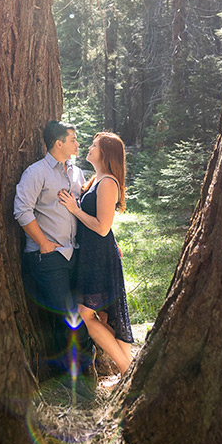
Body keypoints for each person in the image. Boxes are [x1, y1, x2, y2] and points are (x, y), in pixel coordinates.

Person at [14, 120, 93, 379]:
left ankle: (80, 373)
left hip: (76, 254)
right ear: (58, 143)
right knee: (66, 317)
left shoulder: (77, 173)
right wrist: (45, 244)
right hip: (48, 258)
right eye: (73, 140)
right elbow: (22, 210)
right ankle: (73, 378)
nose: (77, 144)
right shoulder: (35, 172)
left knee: (80, 312)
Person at [58, 132, 134, 375]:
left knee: (86, 314)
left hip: (99, 257)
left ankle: (126, 369)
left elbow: (103, 227)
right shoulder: (96, 179)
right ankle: (131, 372)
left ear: (105, 154)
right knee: (106, 316)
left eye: (94, 145)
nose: (89, 148)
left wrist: (74, 209)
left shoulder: (108, 182)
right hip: (92, 254)